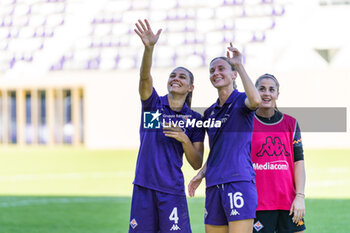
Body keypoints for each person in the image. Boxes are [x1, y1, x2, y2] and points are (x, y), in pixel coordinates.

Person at [128, 19, 205, 233]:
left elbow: (197, 163)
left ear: (190, 87)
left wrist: (184, 139)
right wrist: (149, 49)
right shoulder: (153, 106)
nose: (176, 78)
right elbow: (144, 77)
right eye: (173, 75)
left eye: (182, 77)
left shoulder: (195, 119)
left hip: (171, 190)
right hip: (144, 187)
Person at [189, 44, 261, 233]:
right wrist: (202, 173)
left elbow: (256, 101)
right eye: (212, 70)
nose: (216, 73)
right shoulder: (209, 113)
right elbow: (218, 150)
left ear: (233, 75)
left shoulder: (241, 101)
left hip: (238, 180)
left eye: (222, 69)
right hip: (213, 184)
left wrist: (239, 65)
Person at [251, 74, 306, 233]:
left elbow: (299, 162)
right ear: (255, 92)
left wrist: (300, 197)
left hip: (289, 202)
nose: (266, 93)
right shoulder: (246, 123)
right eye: (261, 89)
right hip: (258, 203)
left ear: (277, 94)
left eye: (271, 89)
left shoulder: (291, 123)